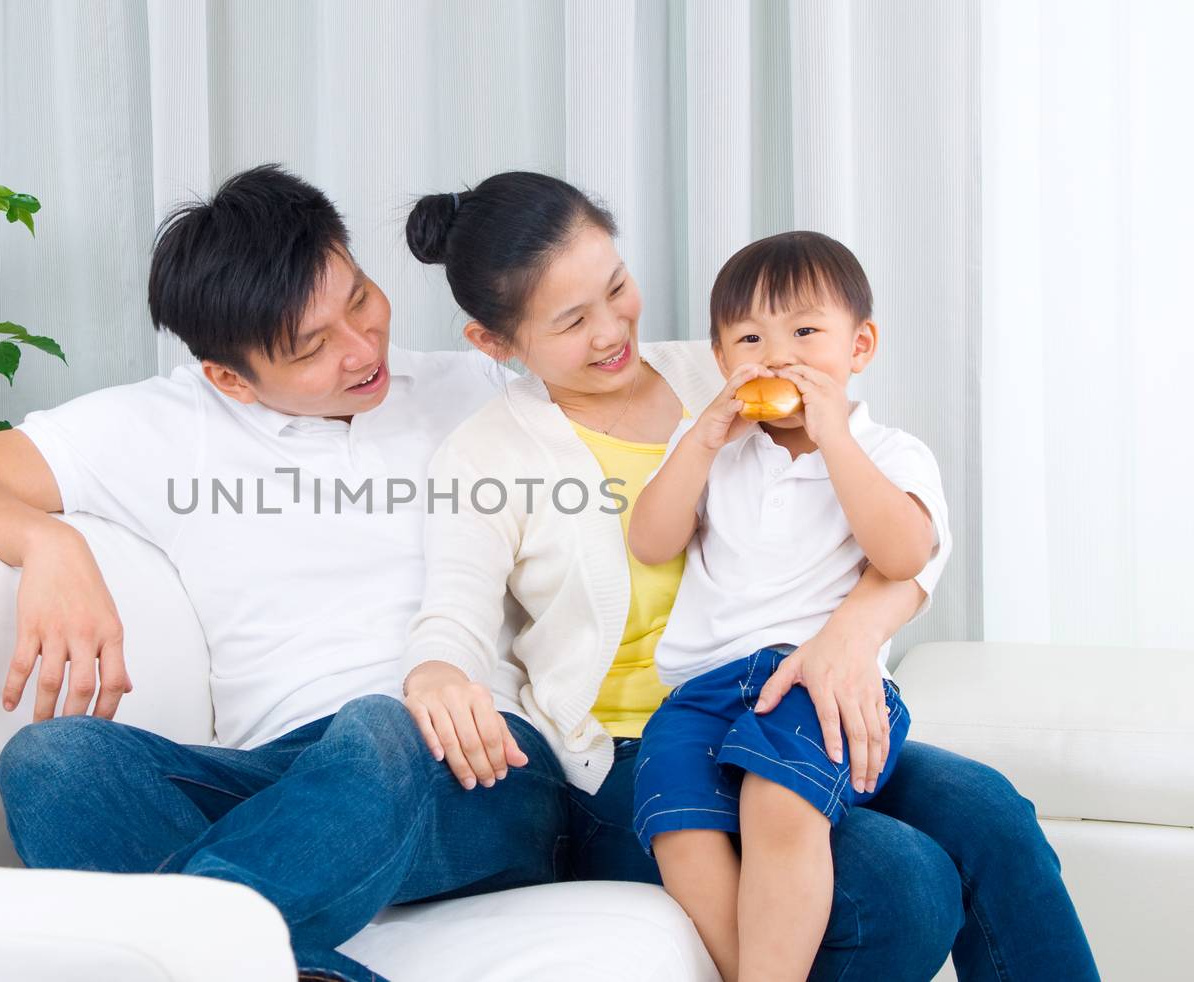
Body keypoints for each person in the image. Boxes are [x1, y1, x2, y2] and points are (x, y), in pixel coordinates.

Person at [399, 171, 1098, 981]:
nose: (611, 329)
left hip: (800, 694)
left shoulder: (737, 363)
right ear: (495, 343)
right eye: (571, 321)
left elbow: (903, 537)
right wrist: (436, 670)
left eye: (617, 287)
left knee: (990, 813)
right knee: (898, 881)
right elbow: (458, 610)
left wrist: (848, 638)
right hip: (633, 748)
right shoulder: (490, 454)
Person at [0, 164, 568, 982]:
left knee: (381, 725)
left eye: (359, 298)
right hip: (282, 784)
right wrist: (48, 544)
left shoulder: (483, 388)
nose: (362, 348)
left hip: (481, 759)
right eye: (313, 348)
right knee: (53, 762)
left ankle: (65, 951)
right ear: (229, 378)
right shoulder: (163, 429)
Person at [622, 230, 943, 980]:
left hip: (818, 684)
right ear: (721, 360)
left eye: (805, 331)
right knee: (678, 829)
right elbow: (650, 540)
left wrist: (835, 439)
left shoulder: (889, 452)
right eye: (749, 337)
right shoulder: (716, 449)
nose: (778, 353)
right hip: (700, 691)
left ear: (859, 346)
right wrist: (699, 442)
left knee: (777, 800)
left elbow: (902, 557)